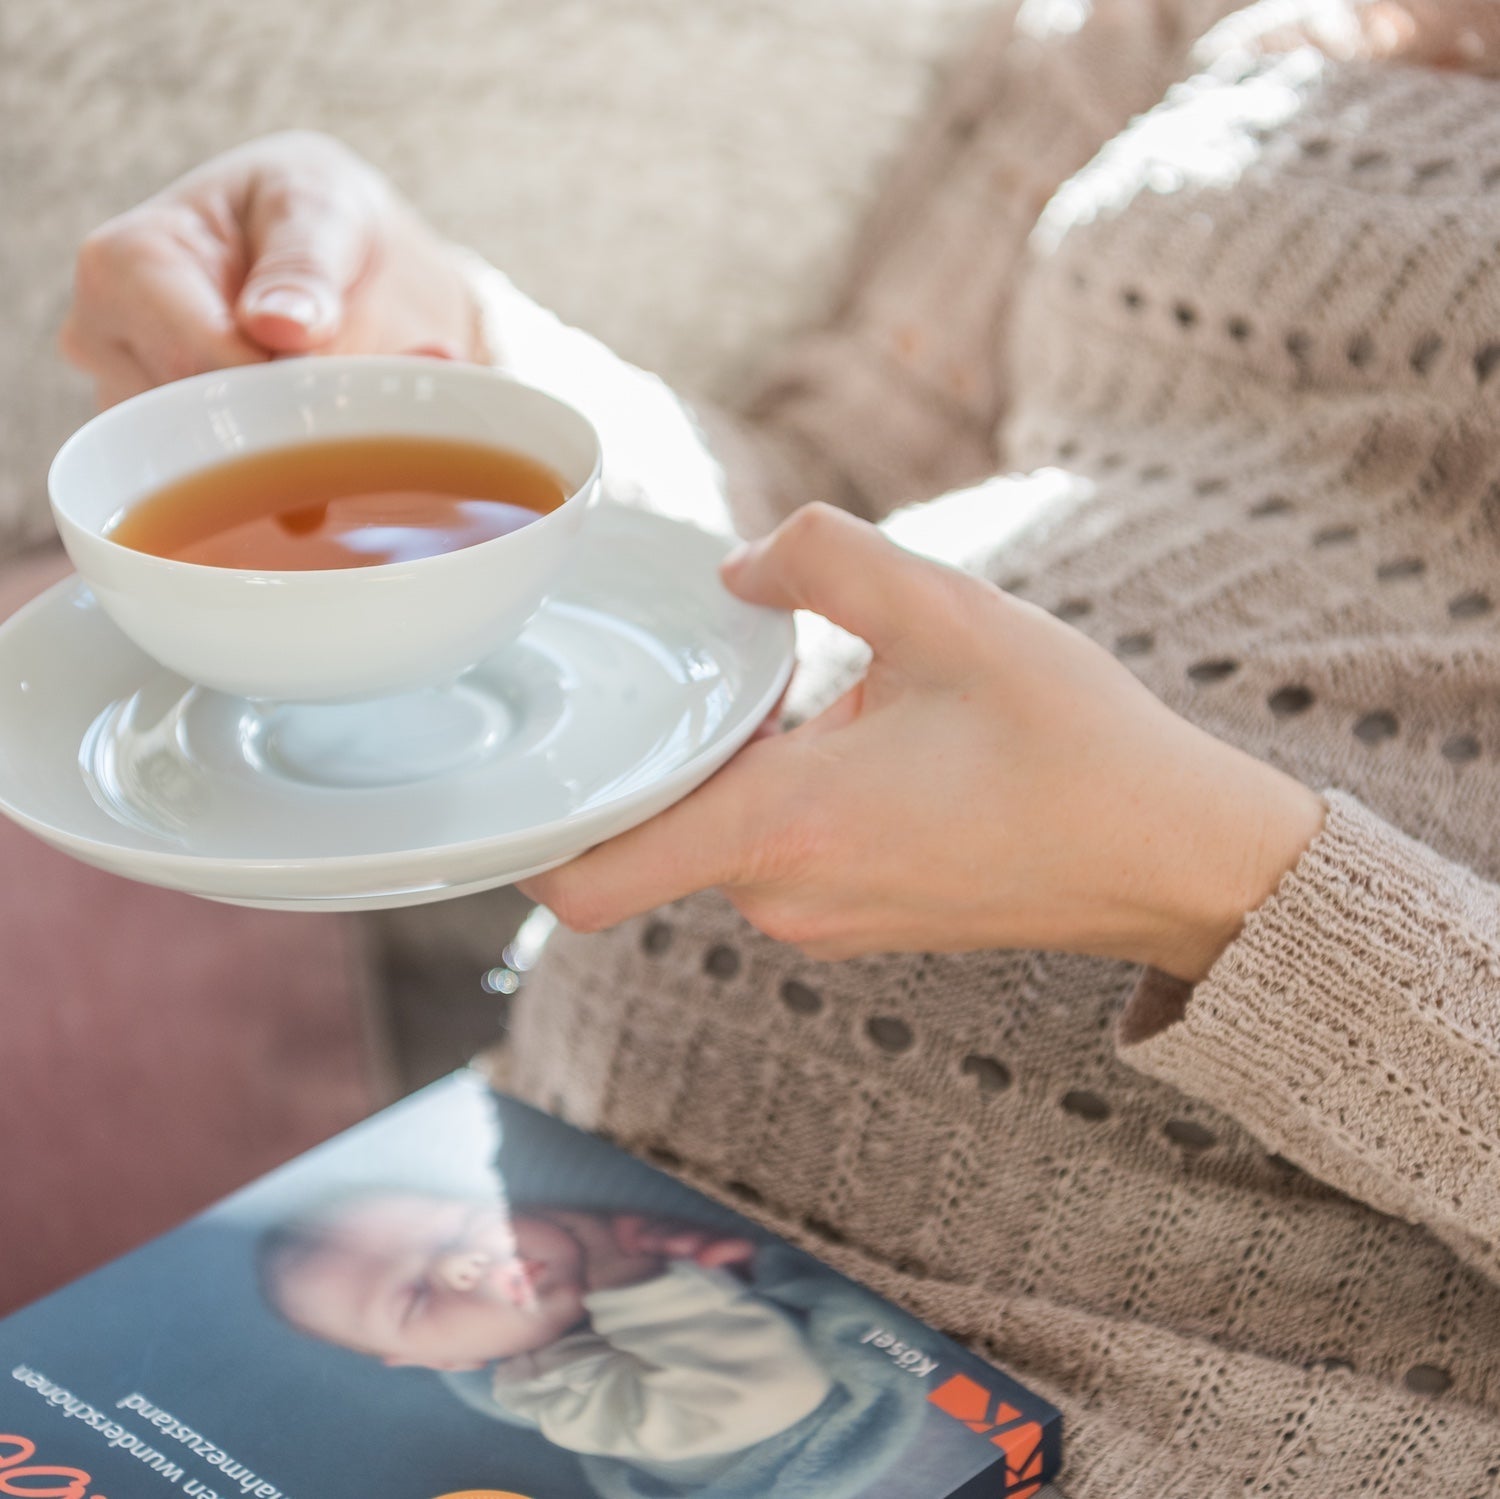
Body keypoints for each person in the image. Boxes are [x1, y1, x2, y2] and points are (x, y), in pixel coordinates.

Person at [61, 1, 1500, 1491]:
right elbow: (820, 526)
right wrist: (450, 372)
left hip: (1160, 1415)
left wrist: (1224, 887)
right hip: (532, 1218)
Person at [258, 1192, 837, 1465]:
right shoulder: (557, 1391)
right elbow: (767, 1392)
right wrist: (626, 1273)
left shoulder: (576, 1199)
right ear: (443, 1363)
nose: (460, 1266)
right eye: (414, 1298)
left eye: (451, 1229)